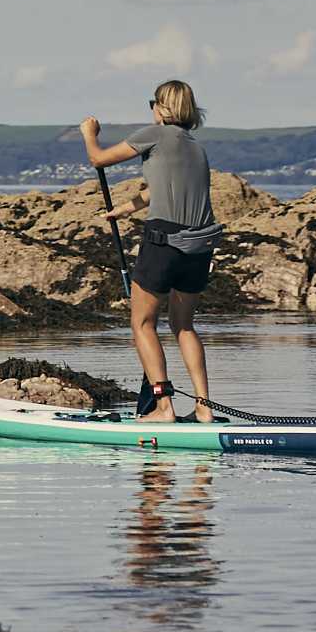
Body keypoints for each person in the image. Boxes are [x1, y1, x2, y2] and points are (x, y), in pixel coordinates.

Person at [80, 80, 222, 424]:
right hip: (200, 244)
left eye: (153, 103)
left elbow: (98, 159)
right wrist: (125, 209)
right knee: (183, 326)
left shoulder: (155, 134)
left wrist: (89, 133)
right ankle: (204, 407)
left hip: (164, 242)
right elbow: (158, 189)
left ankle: (164, 408)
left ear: (162, 107)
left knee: (142, 323)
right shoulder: (194, 146)